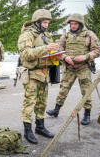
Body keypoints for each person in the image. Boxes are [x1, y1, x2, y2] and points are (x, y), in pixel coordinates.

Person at [46, 13, 100, 125]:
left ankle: (87, 114)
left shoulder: (89, 35)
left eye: (75, 23)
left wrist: (85, 57)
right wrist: (65, 57)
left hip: (84, 68)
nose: (73, 26)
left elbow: (98, 50)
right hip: (69, 68)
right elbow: (58, 50)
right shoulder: (66, 36)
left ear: (80, 24)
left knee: (86, 92)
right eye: (71, 23)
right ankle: (56, 110)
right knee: (63, 89)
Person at [17, 9, 60, 144]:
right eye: (45, 22)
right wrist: (46, 49)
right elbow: (26, 54)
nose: (47, 25)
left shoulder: (46, 35)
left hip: (45, 73)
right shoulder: (26, 35)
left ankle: (40, 127)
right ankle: (27, 130)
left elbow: (50, 52)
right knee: (30, 102)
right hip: (31, 73)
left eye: (48, 22)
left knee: (42, 102)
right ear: (37, 22)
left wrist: (58, 53)